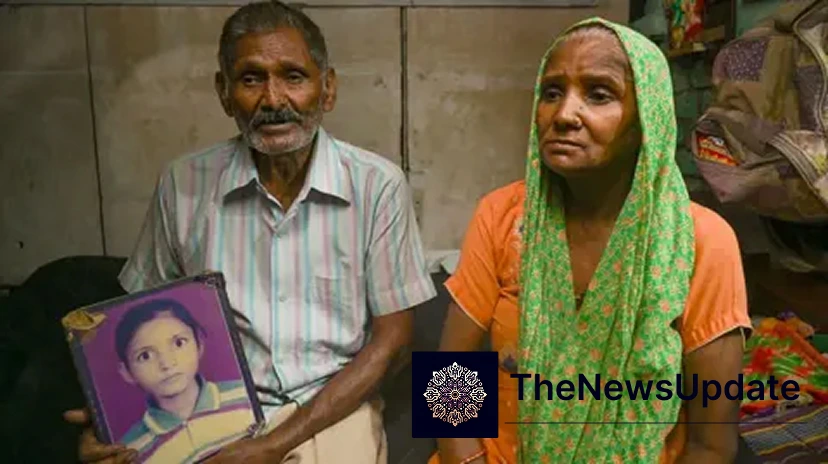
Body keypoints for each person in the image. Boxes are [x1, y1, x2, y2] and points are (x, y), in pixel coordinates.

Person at [63, 1, 436, 463]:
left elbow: (414, 343)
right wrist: (113, 420)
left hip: (330, 412)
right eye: (251, 79)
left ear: (328, 89)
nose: (274, 99)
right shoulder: (183, 185)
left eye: (294, 77)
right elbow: (141, 324)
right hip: (209, 413)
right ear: (224, 93)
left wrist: (465, 449)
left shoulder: (379, 186)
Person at [431, 18, 751, 464]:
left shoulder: (702, 242)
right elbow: (449, 375)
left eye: (599, 94)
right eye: (552, 92)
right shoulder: (502, 216)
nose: (564, 115)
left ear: (648, 118)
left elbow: (711, 446)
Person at [115, 299, 255, 463]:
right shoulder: (129, 450)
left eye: (178, 343)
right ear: (126, 372)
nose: (167, 364)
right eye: (145, 355)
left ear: (199, 344)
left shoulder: (244, 396)